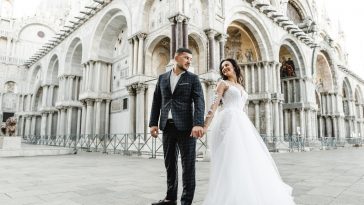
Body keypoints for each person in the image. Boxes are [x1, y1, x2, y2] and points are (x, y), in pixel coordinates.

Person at [202, 58, 295, 205]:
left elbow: (241, 106)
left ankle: (246, 193)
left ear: (234, 66)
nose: (224, 68)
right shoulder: (222, 83)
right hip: (227, 122)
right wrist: (205, 125)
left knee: (247, 159)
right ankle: (229, 195)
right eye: (222, 67)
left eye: (227, 65)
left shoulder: (240, 86)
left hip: (241, 122)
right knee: (230, 159)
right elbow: (214, 105)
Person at [149, 47, 205, 205]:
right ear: (176, 57)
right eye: (186, 58)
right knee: (170, 165)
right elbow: (157, 101)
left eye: (191, 60)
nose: (189, 61)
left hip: (187, 128)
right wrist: (153, 123)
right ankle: (170, 198)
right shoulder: (162, 78)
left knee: (188, 166)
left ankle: (186, 201)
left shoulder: (193, 78)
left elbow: (199, 102)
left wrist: (198, 123)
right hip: (167, 127)